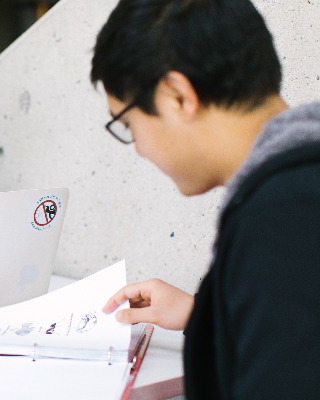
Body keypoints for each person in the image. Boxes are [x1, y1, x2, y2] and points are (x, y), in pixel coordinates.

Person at [91, 0, 320, 399]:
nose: (139, 150)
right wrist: (207, 313)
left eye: (129, 125)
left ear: (178, 96)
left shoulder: (283, 217)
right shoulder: (299, 182)